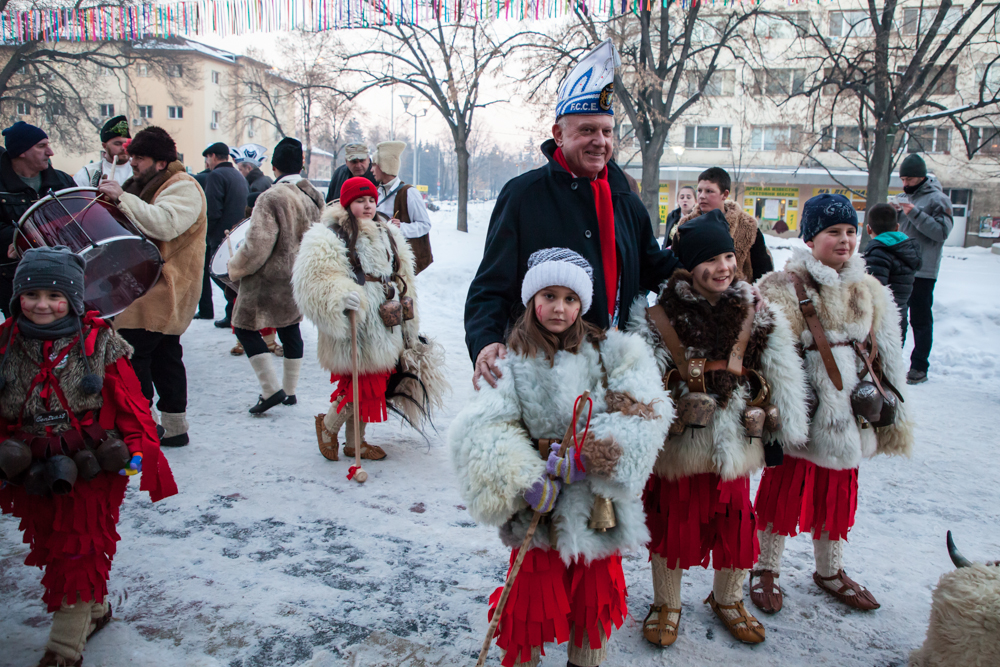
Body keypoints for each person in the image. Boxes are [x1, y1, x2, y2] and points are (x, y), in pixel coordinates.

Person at [449, 248, 671, 667]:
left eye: (570, 299)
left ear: (583, 304)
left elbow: (648, 411)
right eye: (548, 295)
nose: (559, 307)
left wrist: (590, 457)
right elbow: (483, 429)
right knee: (529, 607)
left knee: (592, 606)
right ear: (531, 299)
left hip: (595, 505)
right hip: (540, 509)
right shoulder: (510, 360)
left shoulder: (613, 354)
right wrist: (523, 478)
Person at [634, 211, 809, 647]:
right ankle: (666, 603)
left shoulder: (756, 313)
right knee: (671, 523)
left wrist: (782, 428)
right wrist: (640, 433)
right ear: (687, 266)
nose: (723, 267)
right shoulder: (658, 318)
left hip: (735, 445)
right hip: (679, 447)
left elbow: (783, 372)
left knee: (735, 526)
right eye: (710, 259)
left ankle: (728, 598)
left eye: (728, 255)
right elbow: (640, 382)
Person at [465, 40, 680, 391]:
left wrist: (719, 280)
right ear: (558, 134)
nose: (600, 142)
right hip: (543, 372)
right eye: (587, 131)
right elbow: (490, 288)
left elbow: (654, 266)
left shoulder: (625, 195)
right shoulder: (523, 195)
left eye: (607, 132)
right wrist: (485, 340)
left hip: (613, 372)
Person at [0, 246, 176, 667]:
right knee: (52, 543)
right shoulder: (6, 342)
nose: (43, 305)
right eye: (32, 294)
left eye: (55, 296)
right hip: (29, 468)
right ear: (16, 297)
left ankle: (64, 649)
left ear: (75, 299)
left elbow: (132, 405)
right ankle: (94, 611)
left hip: (91, 467)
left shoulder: (101, 343)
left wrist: (137, 458)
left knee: (79, 548)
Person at [751, 194, 914, 616]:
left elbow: (888, 352)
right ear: (810, 237)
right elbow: (766, 356)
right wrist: (779, 414)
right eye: (832, 232)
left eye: (850, 232)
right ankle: (764, 567)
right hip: (804, 413)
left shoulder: (870, 289)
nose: (844, 240)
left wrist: (893, 412)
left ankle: (830, 570)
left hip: (852, 415)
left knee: (839, 493)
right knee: (782, 490)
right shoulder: (779, 287)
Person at [293, 176, 446, 461]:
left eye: (372, 200)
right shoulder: (328, 234)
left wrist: (409, 320)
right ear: (347, 202)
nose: (367, 206)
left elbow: (404, 275)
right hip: (356, 320)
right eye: (360, 201)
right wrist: (340, 295)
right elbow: (314, 278)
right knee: (363, 383)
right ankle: (328, 427)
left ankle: (356, 443)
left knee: (374, 380)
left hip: (386, 320)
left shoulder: (387, 232)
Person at [97, 126, 207, 448]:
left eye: (140, 158)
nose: (133, 163)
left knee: (133, 355)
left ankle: (142, 426)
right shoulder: (153, 183)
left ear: (160, 162)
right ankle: (173, 428)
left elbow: (165, 223)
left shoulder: (183, 186)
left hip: (165, 288)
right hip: (151, 287)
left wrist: (123, 197)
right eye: (132, 157)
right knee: (164, 356)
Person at [227, 137, 323, 414]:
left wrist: (235, 267)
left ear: (274, 165)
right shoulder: (313, 195)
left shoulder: (271, 196)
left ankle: (271, 390)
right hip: (298, 275)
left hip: (267, 278)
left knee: (244, 327)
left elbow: (258, 244)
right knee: (290, 328)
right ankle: (290, 392)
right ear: (301, 163)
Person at [0, 122, 75, 317]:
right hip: (12, 280)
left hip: (61, 276)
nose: (50, 152)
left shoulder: (63, 181)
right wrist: (22, 240)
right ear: (21, 152)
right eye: (41, 146)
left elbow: (79, 220)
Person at [894, 153, 954, 385]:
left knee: (920, 319)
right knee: (896, 318)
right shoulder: (902, 197)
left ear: (921, 177)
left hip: (923, 271)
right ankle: (892, 361)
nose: (905, 184)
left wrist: (914, 213)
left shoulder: (938, 200)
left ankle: (919, 366)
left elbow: (941, 233)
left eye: (909, 179)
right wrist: (892, 213)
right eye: (903, 179)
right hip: (900, 268)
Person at [672, 167, 773, 282]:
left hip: (738, 296)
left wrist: (751, 295)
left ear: (724, 194)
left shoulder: (748, 226)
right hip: (696, 296)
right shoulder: (686, 225)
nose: (701, 196)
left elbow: (763, 271)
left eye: (709, 191)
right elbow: (675, 268)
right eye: (699, 190)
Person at [198, 142, 248, 322]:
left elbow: (212, 210)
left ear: (212, 156)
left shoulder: (216, 176)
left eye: (207, 158)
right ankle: (231, 313)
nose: (207, 162)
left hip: (220, 236)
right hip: (238, 234)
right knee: (233, 275)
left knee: (219, 274)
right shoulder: (238, 175)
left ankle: (236, 309)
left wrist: (205, 233)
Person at [372, 140, 434, 274]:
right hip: (380, 260)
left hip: (401, 263)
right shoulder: (376, 192)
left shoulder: (410, 193)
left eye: (374, 165)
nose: (371, 169)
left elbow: (425, 225)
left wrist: (402, 227)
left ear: (384, 166)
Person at [862, 203, 922, 335]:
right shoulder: (907, 250)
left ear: (868, 229)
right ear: (897, 227)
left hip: (882, 321)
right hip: (901, 317)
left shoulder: (877, 252)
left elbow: (875, 292)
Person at [73, 115, 132, 188]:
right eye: (118, 144)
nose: (124, 148)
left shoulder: (139, 171)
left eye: (127, 143)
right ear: (104, 146)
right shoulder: (88, 173)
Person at [231, 143, 272, 215]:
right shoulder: (268, 179)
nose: (239, 173)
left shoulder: (254, 186)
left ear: (248, 168)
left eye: (240, 169)